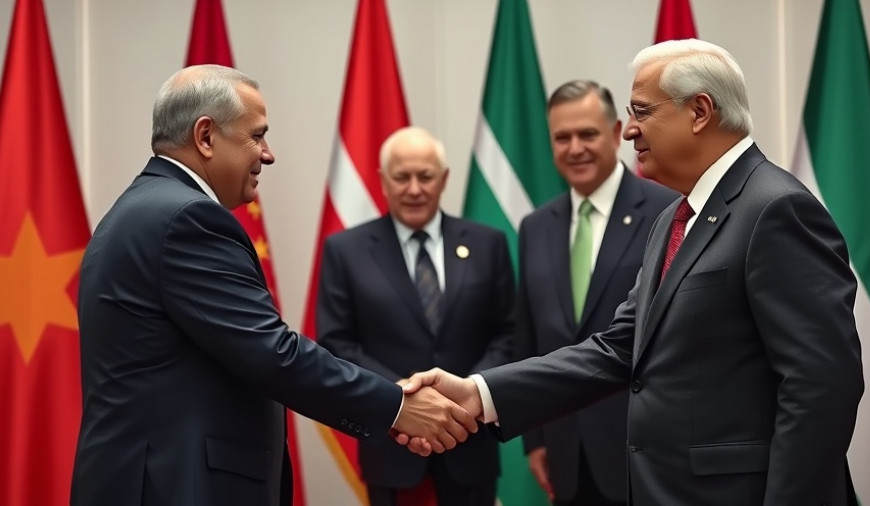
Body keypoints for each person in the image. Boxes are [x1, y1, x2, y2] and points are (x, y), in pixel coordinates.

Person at [402, 39, 864, 505]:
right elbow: (619, 347)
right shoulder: (674, 219)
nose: (630, 131)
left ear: (700, 111)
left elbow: (821, 388)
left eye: (642, 111)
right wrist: (478, 393)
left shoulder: (775, 208)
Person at [71, 65, 477, 506]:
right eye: (256, 135)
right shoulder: (186, 219)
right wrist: (396, 407)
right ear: (206, 137)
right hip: (176, 485)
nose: (268, 154)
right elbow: (273, 352)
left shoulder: (142, 208)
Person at [318, 126, 515, 506]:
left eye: (425, 176)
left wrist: (466, 395)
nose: (414, 188)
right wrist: (403, 399)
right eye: (402, 177)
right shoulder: (346, 250)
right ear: (382, 182)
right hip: (391, 445)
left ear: (443, 180)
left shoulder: (487, 244)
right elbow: (336, 342)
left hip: (469, 440)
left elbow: (508, 333)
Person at [516, 80, 677, 506]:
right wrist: (534, 438)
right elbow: (529, 336)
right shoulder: (535, 227)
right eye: (561, 137)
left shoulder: (668, 210)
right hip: (565, 452)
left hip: (647, 449)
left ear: (614, 132)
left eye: (587, 134)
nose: (575, 148)